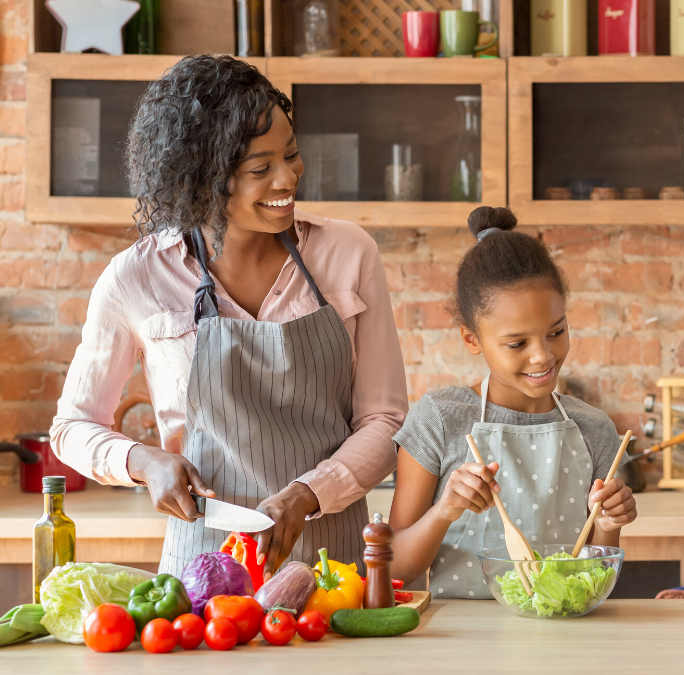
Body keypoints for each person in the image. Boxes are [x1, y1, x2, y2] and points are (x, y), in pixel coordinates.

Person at [51, 55, 407, 577]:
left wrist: (310, 493)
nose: (288, 178)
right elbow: (72, 426)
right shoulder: (136, 278)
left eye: (291, 155)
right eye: (261, 169)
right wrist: (143, 463)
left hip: (334, 573)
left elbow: (385, 420)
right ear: (202, 180)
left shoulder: (348, 254)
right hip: (202, 577)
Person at [388, 206, 636, 598]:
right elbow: (394, 567)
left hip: (563, 638)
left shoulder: (595, 429)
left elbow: (598, 572)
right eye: (517, 343)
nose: (543, 355)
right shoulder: (439, 419)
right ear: (472, 339)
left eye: (556, 332)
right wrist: (445, 511)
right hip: (463, 644)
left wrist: (608, 521)